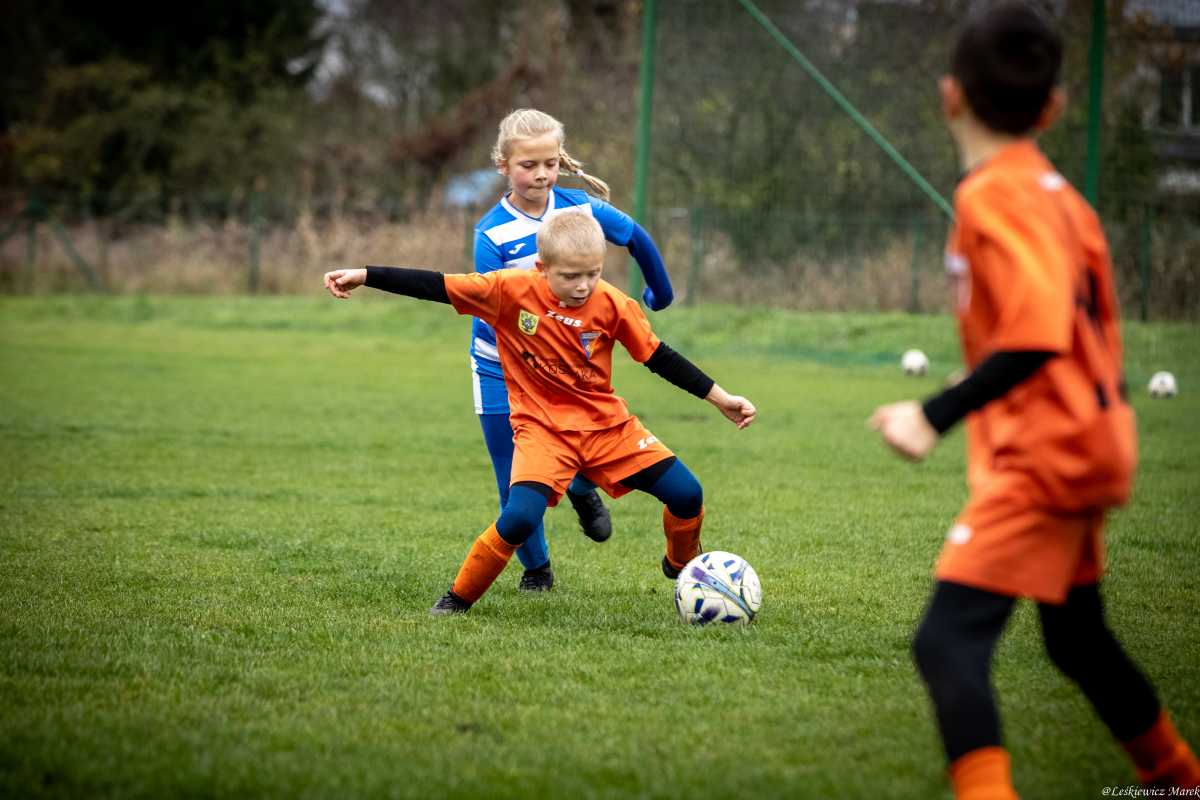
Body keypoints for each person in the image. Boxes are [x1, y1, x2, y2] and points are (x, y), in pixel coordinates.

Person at [869, 7, 1200, 799]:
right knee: (1076, 638)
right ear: (1053, 108)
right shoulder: (1061, 198)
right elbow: (1085, 332)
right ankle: (1178, 781)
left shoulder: (996, 195)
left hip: (1049, 451)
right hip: (1094, 435)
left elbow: (1041, 330)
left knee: (946, 644)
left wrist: (933, 414)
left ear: (949, 96)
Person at [323, 212, 754, 615]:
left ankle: (682, 565)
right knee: (520, 517)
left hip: (607, 427)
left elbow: (659, 357)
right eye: (570, 276)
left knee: (688, 494)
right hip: (541, 431)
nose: (583, 286)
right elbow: (435, 285)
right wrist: (365, 275)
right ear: (541, 267)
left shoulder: (614, 304)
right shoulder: (508, 290)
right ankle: (456, 599)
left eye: (593, 273)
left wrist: (721, 398)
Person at [469, 109, 675, 593]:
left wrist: (660, 293)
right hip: (501, 370)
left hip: (567, 370)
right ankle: (537, 570)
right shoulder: (491, 234)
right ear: (504, 165)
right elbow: (491, 308)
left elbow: (636, 237)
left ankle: (582, 485)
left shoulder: (580, 208)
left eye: (549, 163)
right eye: (528, 166)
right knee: (514, 478)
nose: (541, 175)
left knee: (584, 444)